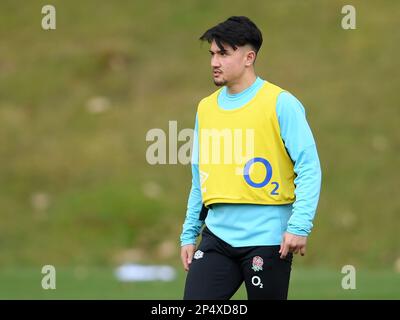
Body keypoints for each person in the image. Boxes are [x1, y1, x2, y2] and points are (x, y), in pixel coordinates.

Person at [180, 16, 322, 300]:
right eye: (212, 54)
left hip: (267, 240)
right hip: (217, 237)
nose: (214, 62)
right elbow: (200, 175)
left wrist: (299, 226)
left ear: (249, 57)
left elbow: (309, 167)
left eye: (223, 53)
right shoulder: (206, 108)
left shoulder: (281, 103)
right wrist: (189, 233)